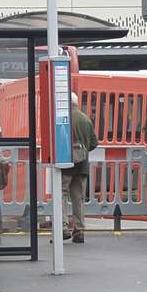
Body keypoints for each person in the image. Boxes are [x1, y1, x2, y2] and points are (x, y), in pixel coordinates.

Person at [61, 92, 96, 244]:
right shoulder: (85, 119)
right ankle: (79, 230)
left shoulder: (63, 119)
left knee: (61, 195)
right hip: (82, 165)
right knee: (78, 198)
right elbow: (94, 143)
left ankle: (63, 228)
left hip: (66, 164)